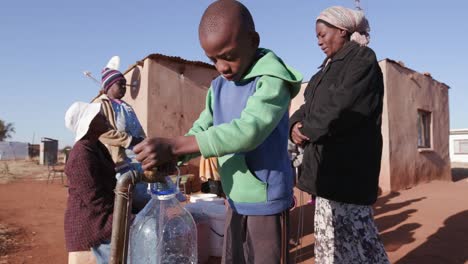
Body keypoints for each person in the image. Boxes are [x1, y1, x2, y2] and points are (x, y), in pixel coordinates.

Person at [134, 1, 303, 263]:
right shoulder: (219, 87)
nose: (222, 67)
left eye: (229, 55)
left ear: (253, 41)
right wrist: (172, 158)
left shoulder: (272, 81)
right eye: (213, 59)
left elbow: (248, 132)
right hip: (233, 198)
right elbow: (203, 126)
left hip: (266, 202)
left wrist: (175, 146)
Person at [289, 6, 389, 263]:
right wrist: (294, 126)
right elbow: (306, 106)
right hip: (326, 174)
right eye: (317, 36)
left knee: (360, 246)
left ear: (342, 31)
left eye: (323, 34)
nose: (319, 40)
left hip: (348, 174)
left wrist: (307, 130)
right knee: (329, 243)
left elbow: (340, 106)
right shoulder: (324, 70)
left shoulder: (362, 60)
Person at [91, 64, 150, 211]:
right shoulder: (100, 105)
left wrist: (146, 143)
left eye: (125, 84)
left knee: (146, 197)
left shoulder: (126, 106)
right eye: (120, 84)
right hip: (118, 163)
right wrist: (129, 140)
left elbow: (139, 130)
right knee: (127, 201)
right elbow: (102, 132)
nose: (124, 87)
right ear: (109, 86)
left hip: (136, 158)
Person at [64, 101, 115, 264]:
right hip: (91, 225)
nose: (104, 117)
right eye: (99, 115)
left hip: (101, 215)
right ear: (90, 123)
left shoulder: (97, 147)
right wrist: (124, 213)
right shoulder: (81, 154)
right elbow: (95, 201)